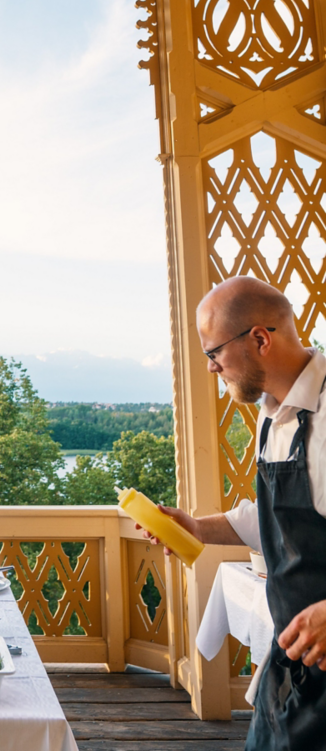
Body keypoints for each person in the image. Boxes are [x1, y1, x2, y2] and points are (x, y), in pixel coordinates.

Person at [140, 276, 326, 750]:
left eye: (213, 353)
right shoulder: (271, 414)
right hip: (293, 670)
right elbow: (272, 516)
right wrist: (197, 527)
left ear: (260, 339)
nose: (210, 367)